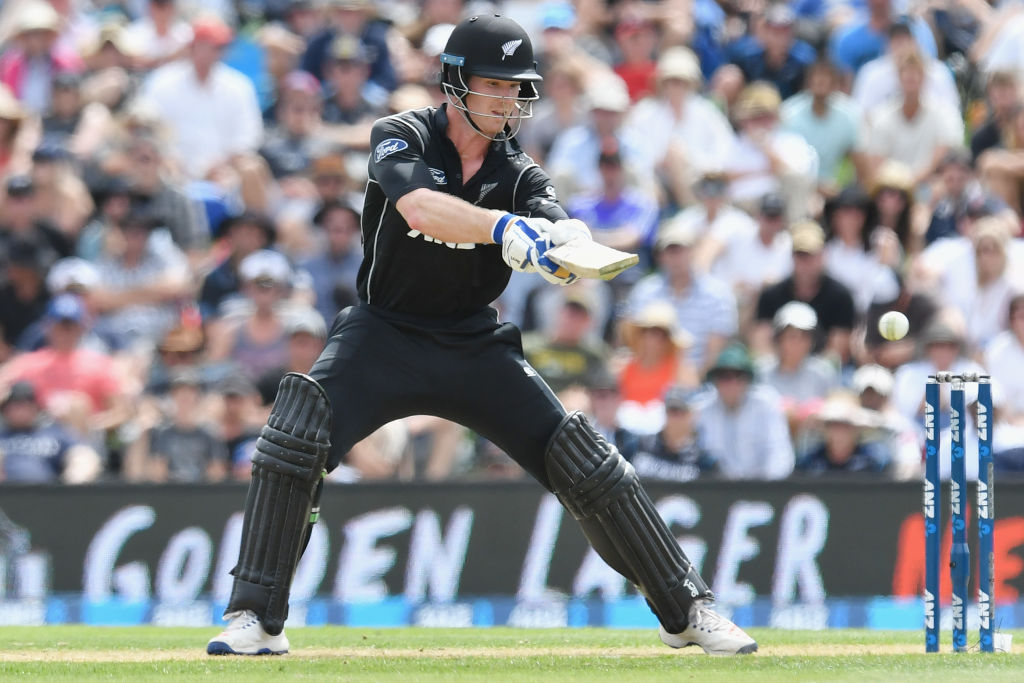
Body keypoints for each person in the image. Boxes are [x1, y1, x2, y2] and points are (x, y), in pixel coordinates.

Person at [207, 15, 756, 657]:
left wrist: (564, 241)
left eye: (514, 87)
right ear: (454, 83)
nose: (505, 100)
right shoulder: (400, 135)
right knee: (295, 434)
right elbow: (417, 207)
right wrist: (503, 229)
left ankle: (688, 609)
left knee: (582, 459)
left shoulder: (521, 173)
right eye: (492, 85)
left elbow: (556, 222)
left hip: (473, 344)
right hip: (383, 332)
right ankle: (255, 618)